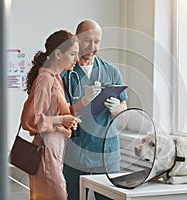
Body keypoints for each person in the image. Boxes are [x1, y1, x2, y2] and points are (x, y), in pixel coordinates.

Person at [61, 20, 128, 200]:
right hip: (76, 153)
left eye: (97, 41)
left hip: (107, 155)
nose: (92, 46)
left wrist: (116, 109)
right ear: (76, 39)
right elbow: (63, 113)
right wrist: (84, 101)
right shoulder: (65, 73)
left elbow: (124, 107)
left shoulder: (111, 71)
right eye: (87, 41)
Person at [21, 29, 81, 200]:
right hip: (46, 148)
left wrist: (67, 120)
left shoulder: (55, 78)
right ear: (58, 54)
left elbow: (53, 113)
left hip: (55, 147)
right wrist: (62, 119)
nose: (76, 59)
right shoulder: (46, 79)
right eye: (72, 54)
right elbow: (30, 120)